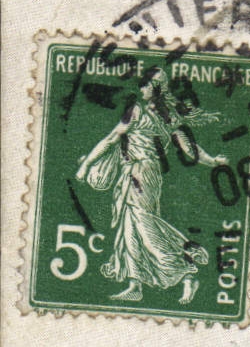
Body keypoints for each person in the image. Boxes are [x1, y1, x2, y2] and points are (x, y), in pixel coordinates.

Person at [74, 67, 227, 303]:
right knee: (130, 228)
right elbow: (190, 149)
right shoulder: (169, 117)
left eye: (146, 85)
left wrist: (86, 166)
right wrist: (213, 160)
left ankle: (187, 270)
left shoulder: (139, 111)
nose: (141, 88)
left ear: (155, 89)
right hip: (138, 173)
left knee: (144, 226)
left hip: (141, 174)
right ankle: (135, 284)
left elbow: (113, 137)